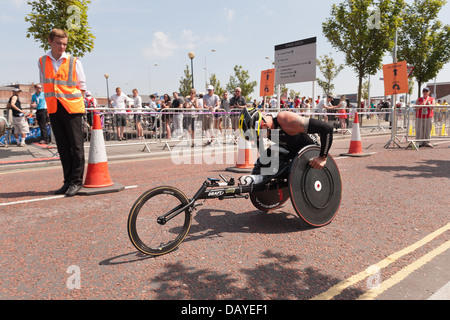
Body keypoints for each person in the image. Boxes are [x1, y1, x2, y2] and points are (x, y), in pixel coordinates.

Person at [38, 28, 86, 196]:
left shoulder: (74, 61)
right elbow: (45, 83)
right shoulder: (42, 61)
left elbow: (82, 87)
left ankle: (76, 181)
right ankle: (67, 181)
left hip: (72, 108)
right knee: (63, 147)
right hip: (54, 108)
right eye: (58, 43)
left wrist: (77, 104)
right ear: (50, 41)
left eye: (64, 44)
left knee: (76, 147)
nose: (62, 47)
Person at [238, 107, 333, 182]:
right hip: (290, 149)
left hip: (309, 151)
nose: (260, 139)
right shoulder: (262, 128)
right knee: (263, 164)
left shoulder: (285, 120)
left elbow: (327, 128)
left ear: (264, 125)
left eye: (259, 136)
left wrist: (322, 157)